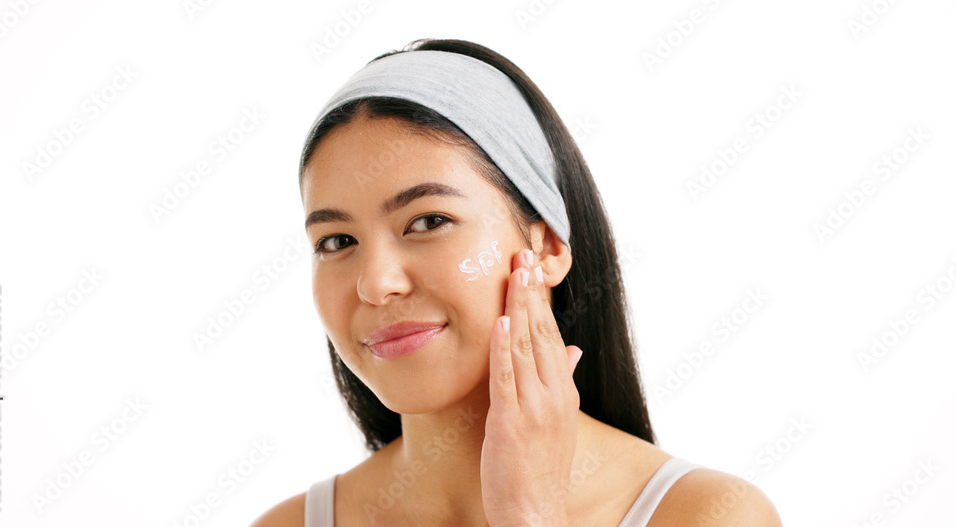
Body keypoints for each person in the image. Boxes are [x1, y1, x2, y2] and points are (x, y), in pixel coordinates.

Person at [252, 38, 781, 526]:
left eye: (429, 221)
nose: (376, 284)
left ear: (546, 246)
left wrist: (529, 515)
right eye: (336, 241)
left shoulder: (710, 516)